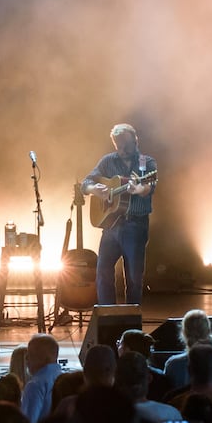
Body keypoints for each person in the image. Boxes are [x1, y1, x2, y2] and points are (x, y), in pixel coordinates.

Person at [81, 123, 158, 306]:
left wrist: (138, 188)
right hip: (110, 227)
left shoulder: (146, 163)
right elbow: (85, 182)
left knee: (133, 278)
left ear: (135, 141)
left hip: (135, 226)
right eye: (118, 145)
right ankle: (108, 317)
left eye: (126, 145)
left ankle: (131, 322)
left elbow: (149, 187)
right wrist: (95, 189)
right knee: (102, 273)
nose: (122, 149)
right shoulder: (108, 161)